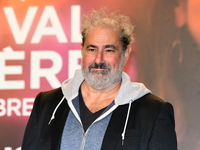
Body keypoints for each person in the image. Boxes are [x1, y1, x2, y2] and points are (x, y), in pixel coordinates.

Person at [21, 7, 177, 150]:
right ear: (82, 50)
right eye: (92, 49)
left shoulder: (153, 112)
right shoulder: (47, 104)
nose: (99, 59)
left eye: (109, 50)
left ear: (125, 53)